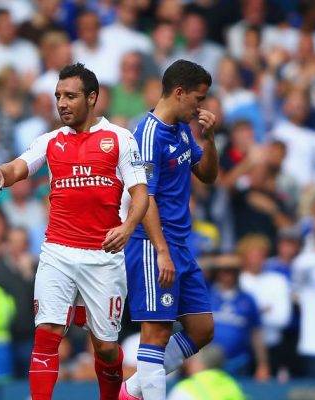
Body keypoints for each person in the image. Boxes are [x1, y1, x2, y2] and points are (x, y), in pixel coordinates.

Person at [0, 63, 148, 400]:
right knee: (47, 333)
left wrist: (129, 227)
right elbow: (20, 166)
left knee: (105, 348)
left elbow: (141, 195)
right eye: (58, 96)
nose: (62, 103)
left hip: (104, 256)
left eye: (70, 96)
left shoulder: (119, 138)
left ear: (92, 98)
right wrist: (0, 173)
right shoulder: (50, 140)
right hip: (58, 251)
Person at [121, 59, 219, 400]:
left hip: (180, 244)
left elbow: (207, 175)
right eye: (198, 98)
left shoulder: (180, 128)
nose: (200, 106)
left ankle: (132, 388)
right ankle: (143, 391)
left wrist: (209, 138)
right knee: (157, 332)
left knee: (202, 329)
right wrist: (161, 250)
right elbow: (144, 196)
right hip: (151, 244)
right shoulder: (147, 134)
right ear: (179, 92)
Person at [166, 344, 245, 400]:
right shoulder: (233, 386)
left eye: (192, 360)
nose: (188, 364)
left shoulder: (186, 388)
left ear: (199, 364)